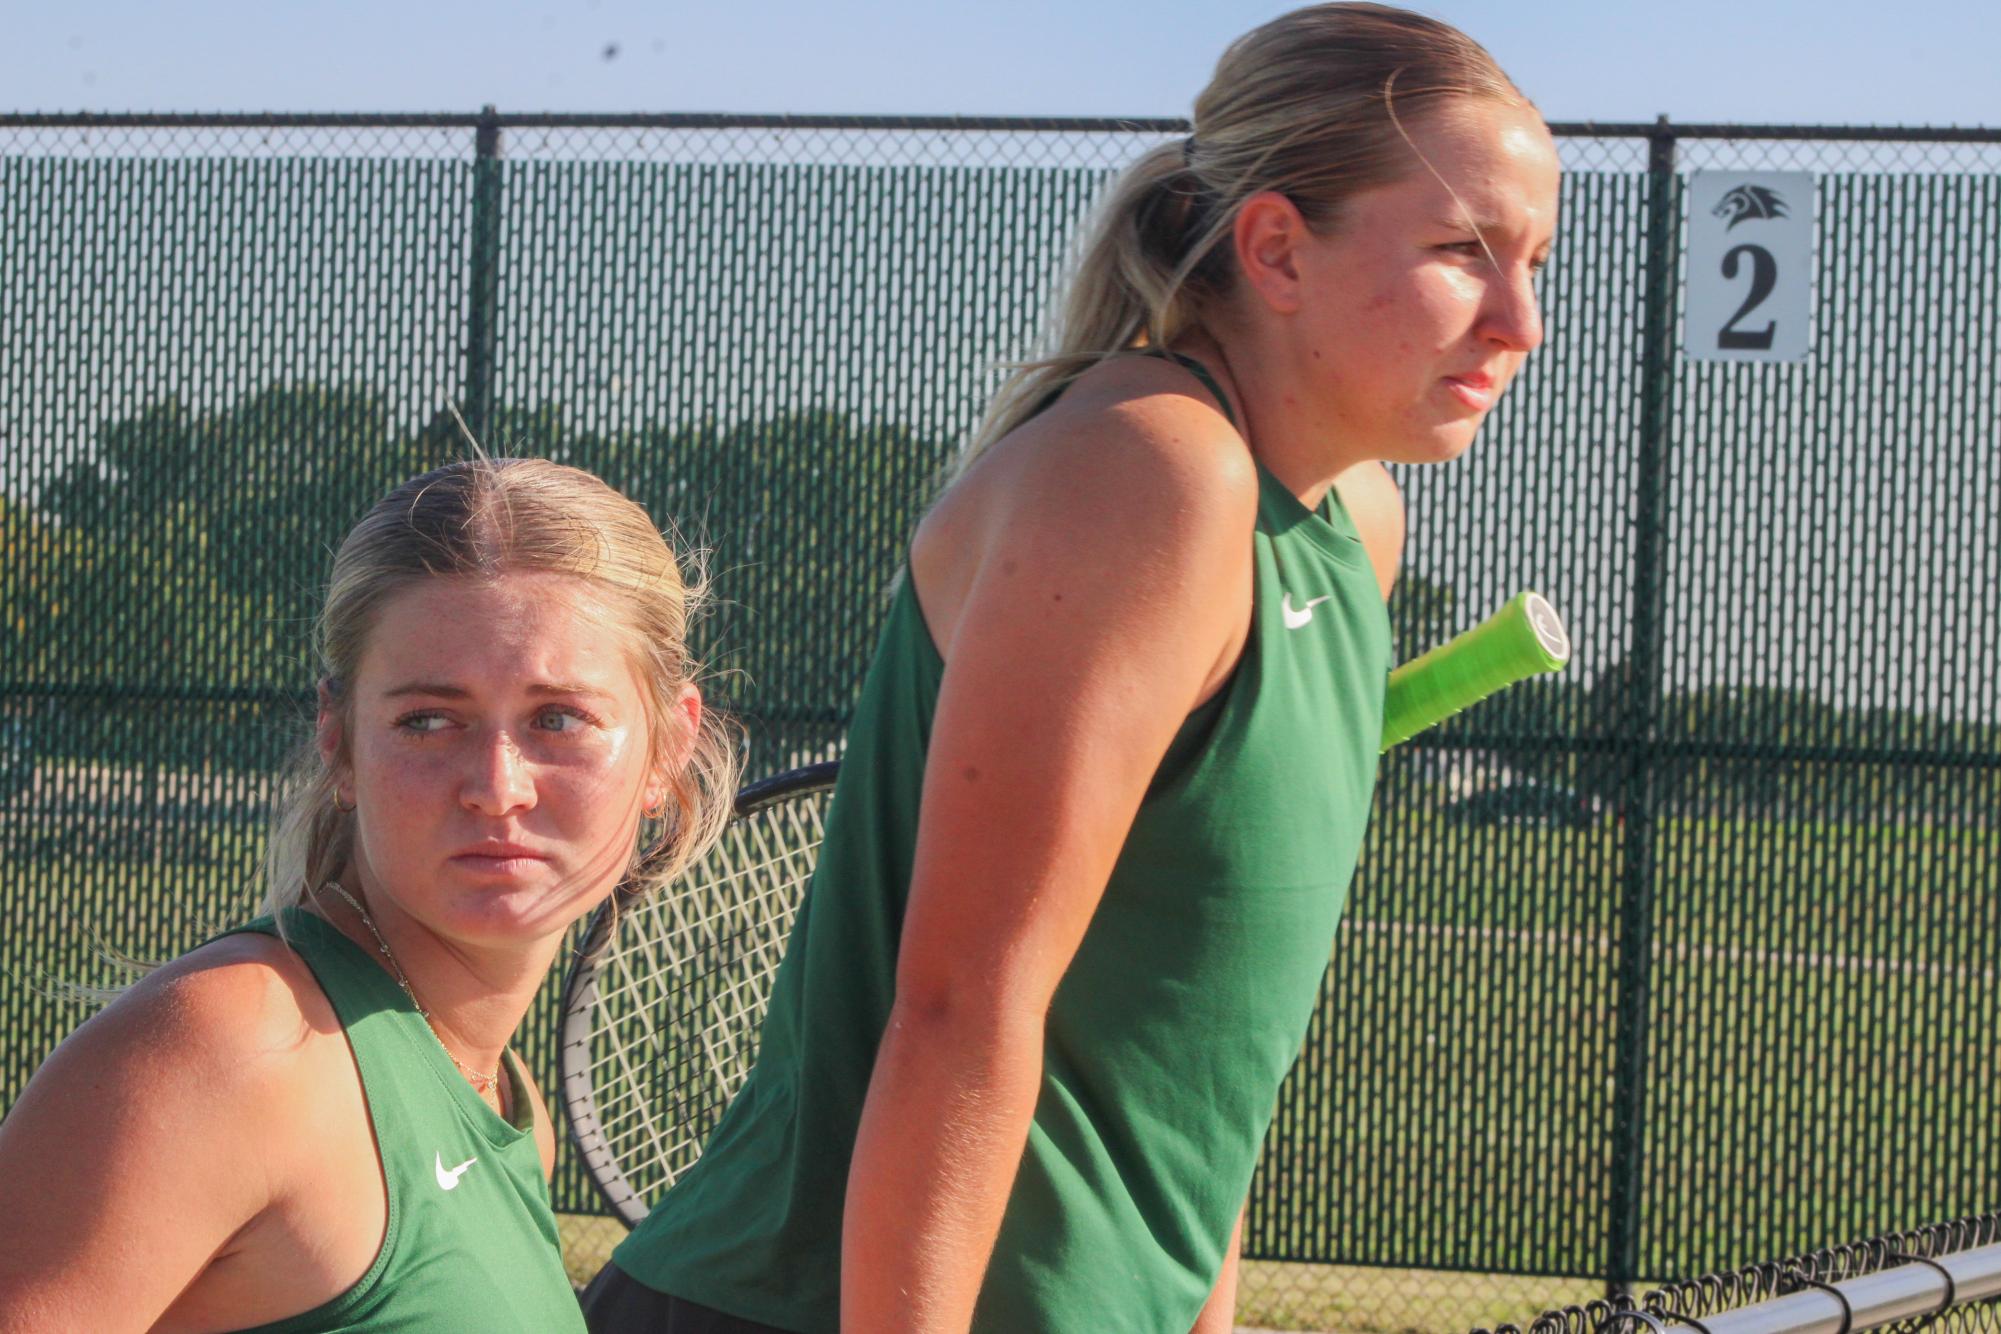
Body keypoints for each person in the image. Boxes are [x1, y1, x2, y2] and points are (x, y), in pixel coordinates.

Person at [590, 4, 1559, 1330]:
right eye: (1462, 252)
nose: (1520, 319)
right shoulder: (1151, 473)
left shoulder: (1354, 527)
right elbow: (958, 1011)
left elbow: (1201, 1072)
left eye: (1534, 261)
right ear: (1276, 247)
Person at [0, 458, 740, 1331]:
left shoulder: (510, 1105)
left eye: (558, 719)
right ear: (341, 744)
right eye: (428, 719)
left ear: (668, 746)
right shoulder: (236, 1051)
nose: (496, 785)